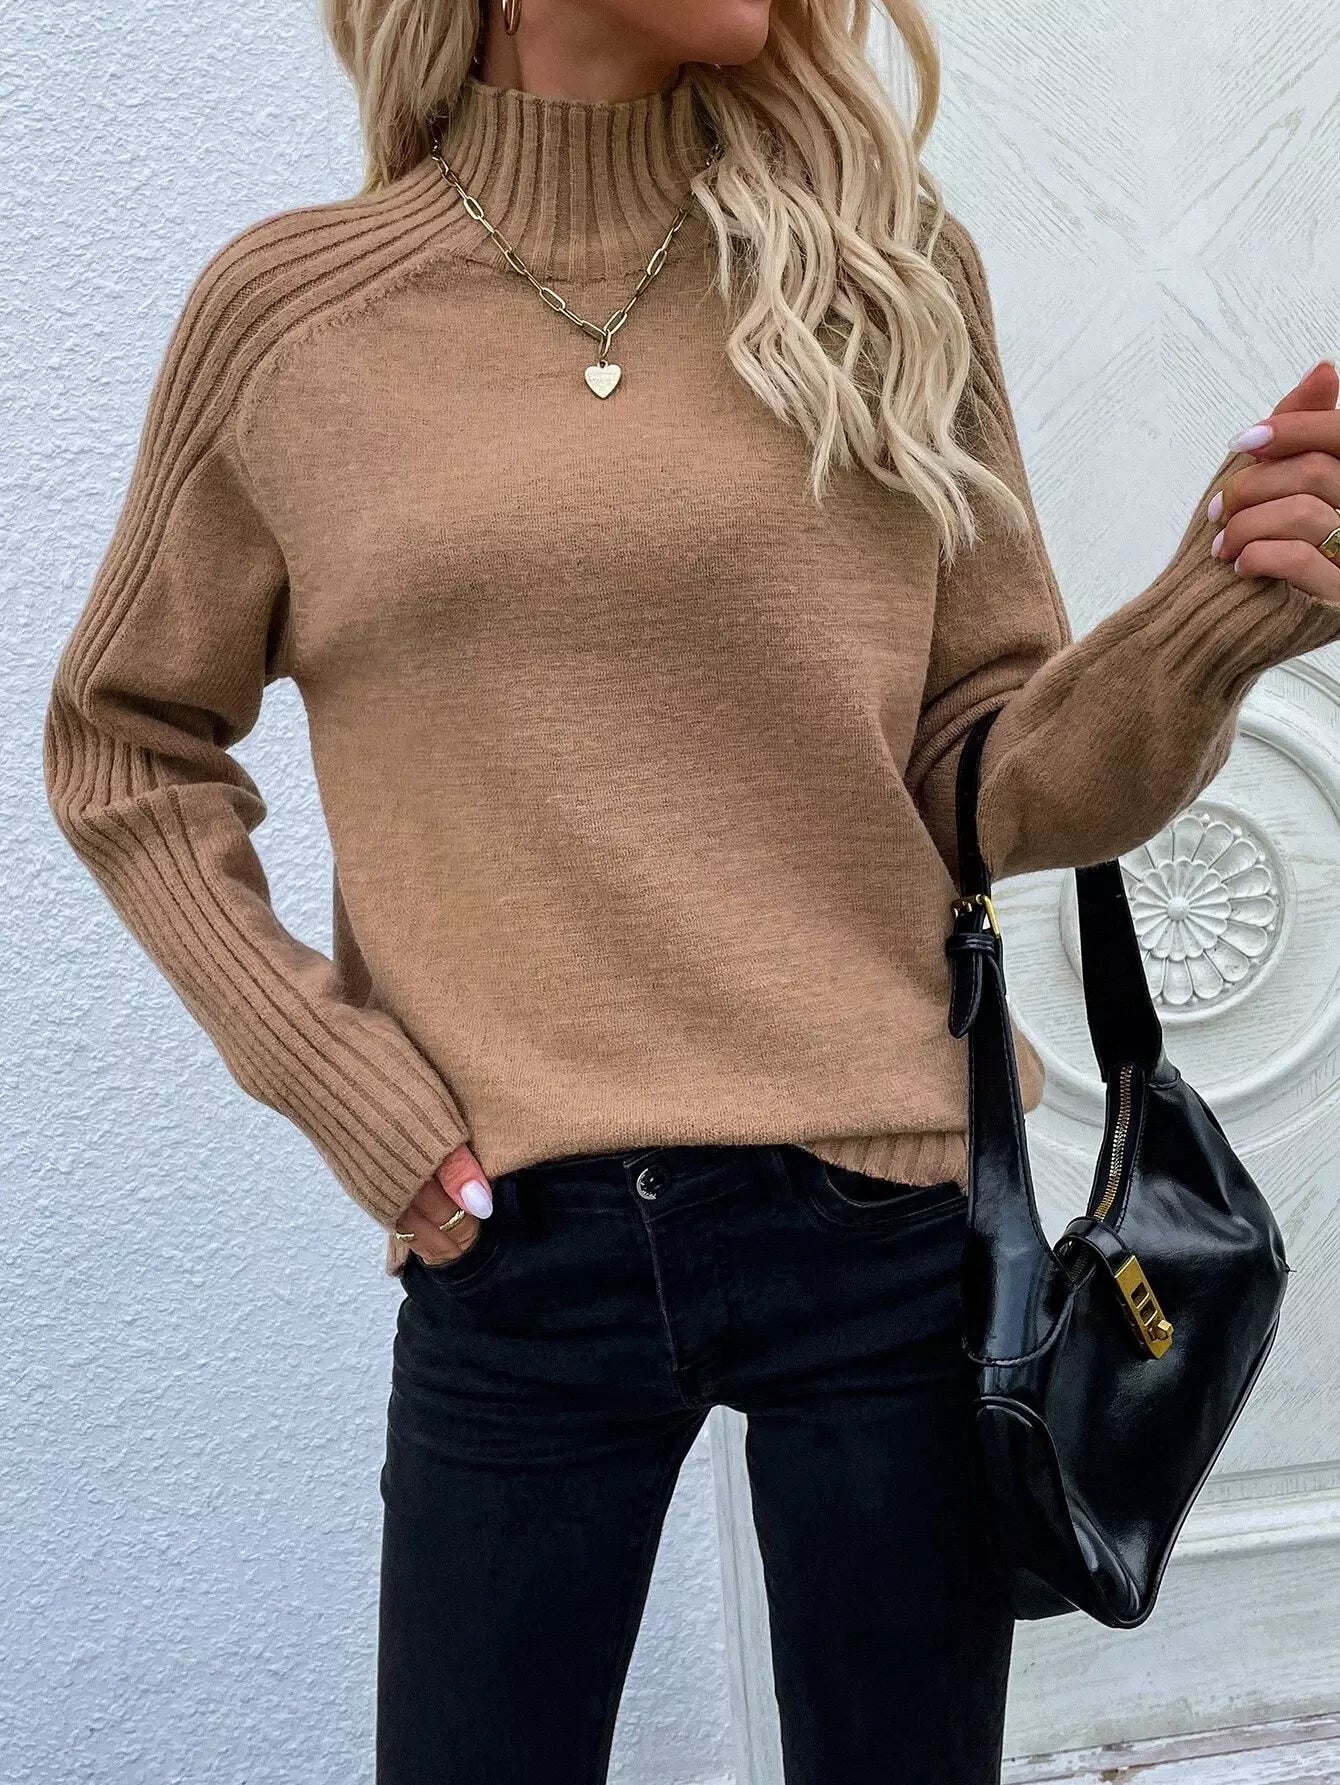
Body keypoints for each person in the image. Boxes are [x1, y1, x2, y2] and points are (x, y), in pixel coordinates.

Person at [42, 0, 1340, 1779]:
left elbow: (986, 784)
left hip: (880, 1226)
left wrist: (1216, 615)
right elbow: (124, 741)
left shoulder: (883, 272)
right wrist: (343, 1079)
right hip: (518, 1245)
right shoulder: (291, 322)